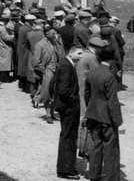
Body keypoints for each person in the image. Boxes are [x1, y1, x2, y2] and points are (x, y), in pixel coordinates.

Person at [84, 46, 123, 181]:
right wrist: (118, 122)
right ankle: (110, 178)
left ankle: (94, 176)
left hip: (93, 114)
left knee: (95, 147)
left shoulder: (90, 73)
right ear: (112, 59)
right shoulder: (109, 77)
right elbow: (112, 102)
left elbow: (87, 96)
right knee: (110, 150)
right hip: (106, 118)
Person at [53, 45, 84, 180]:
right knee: (68, 138)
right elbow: (63, 90)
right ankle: (66, 169)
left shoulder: (66, 64)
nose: (81, 56)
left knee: (68, 137)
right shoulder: (66, 67)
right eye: (79, 53)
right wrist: (73, 104)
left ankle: (67, 167)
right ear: (71, 54)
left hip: (66, 107)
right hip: (68, 108)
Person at [32, 26, 61, 123]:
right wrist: (44, 70)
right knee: (47, 93)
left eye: (54, 33)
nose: (54, 35)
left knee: (56, 92)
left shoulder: (55, 43)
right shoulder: (40, 45)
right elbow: (36, 61)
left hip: (56, 70)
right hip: (48, 71)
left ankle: (52, 113)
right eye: (52, 33)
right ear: (46, 33)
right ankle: (48, 114)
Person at [76, 37, 105, 117]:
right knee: (83, 101)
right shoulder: (91, 57)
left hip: (77, 79)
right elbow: (96, 72)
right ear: (95, 47)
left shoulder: (81, 53)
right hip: (84, 82)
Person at [0, 12, 14, 82]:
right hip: (4, 47)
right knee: (5, 64)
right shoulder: (2, 28)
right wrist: (13, 36)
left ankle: (0, 77)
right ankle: (4, 78)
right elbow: (6, 38)